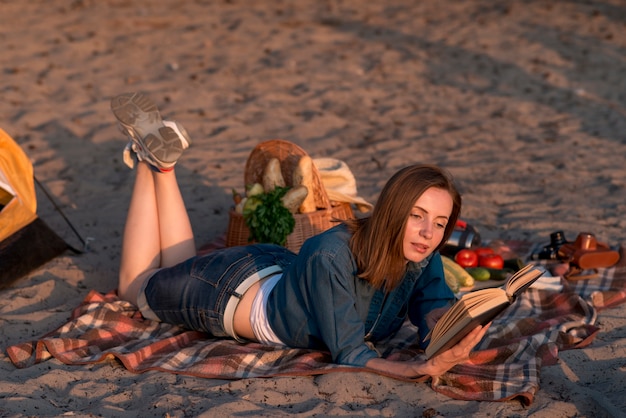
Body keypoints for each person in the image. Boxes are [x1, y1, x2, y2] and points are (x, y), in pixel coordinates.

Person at [111, 92, 489, 379]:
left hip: (277, 267)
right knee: (135, 286)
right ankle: (152, 164)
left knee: (177, 264)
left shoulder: (422, 253)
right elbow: (350, 352)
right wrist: (419, 368)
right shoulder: (332, 254)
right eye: (417, 216)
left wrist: (450, 330)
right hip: (226, 292)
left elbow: (433, 305)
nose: (429, 232)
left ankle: (158, 159)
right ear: (392, 212)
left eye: (440, 223)